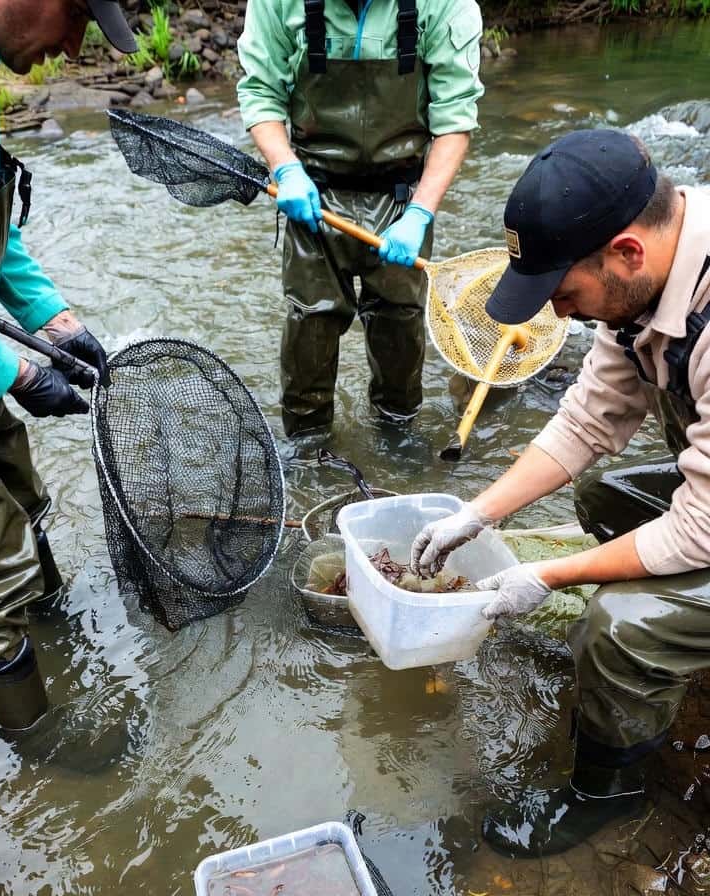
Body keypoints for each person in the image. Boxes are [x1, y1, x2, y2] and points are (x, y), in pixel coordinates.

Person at [410, 128, 710, 857]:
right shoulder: (646, 280)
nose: (558, 316)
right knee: (608, 495)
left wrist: (545, 574)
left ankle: (608, 790)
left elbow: (700, 530)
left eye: (564, 294)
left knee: (622, 623)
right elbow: (587, 420)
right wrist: (478, 514)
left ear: (626, 252)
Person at [0, 0, 136, 734]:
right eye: (76, 19)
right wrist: (12, 372)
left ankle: (52, 640)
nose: (73, 47)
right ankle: (39, 747)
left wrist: (54, 319)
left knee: (19, 489)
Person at [236, 0, 484, 439]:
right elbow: (260, 93)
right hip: (313, 194)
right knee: (309, 324)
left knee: (400, 325)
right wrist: (285, 169)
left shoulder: (444, 5)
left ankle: (399, 437)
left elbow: (455, 117)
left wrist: (421, 213)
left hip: (403, 195)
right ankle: (306, 447)